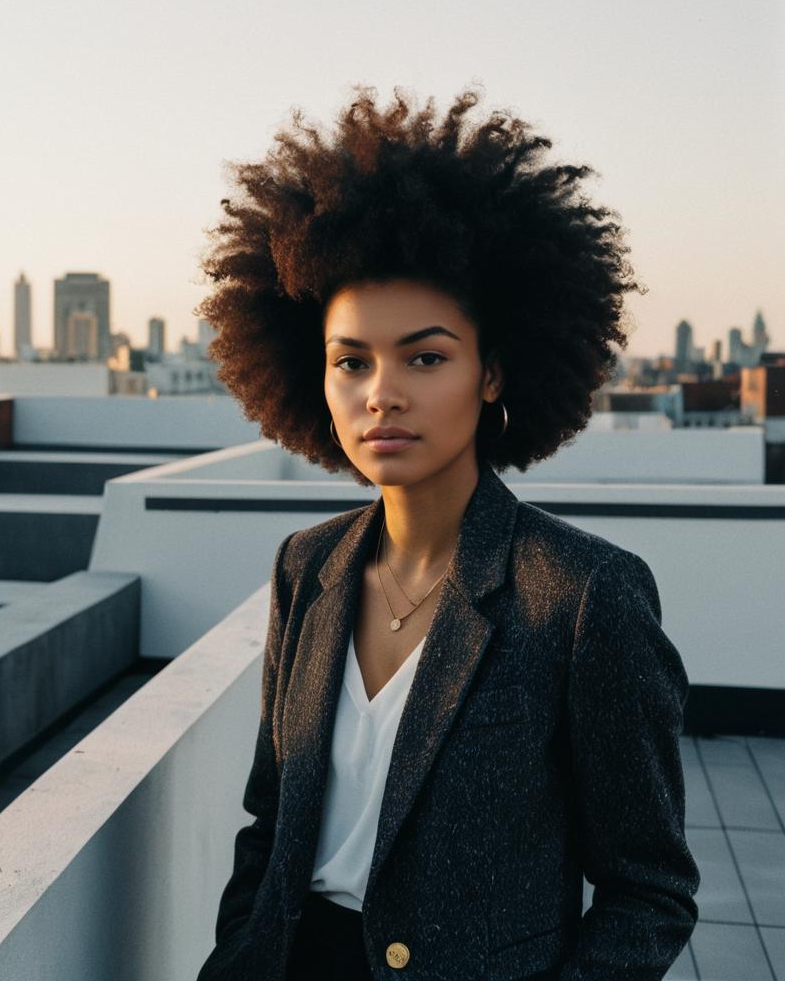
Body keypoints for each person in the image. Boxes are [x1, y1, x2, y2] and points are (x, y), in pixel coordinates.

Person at [194, 85, 699, 981]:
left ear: (493, 372)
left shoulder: (583, 598)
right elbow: (271, 821)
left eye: (425, 357)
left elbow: (649, 891)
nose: (381, 393)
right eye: (351, 361)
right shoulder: (306, 569)